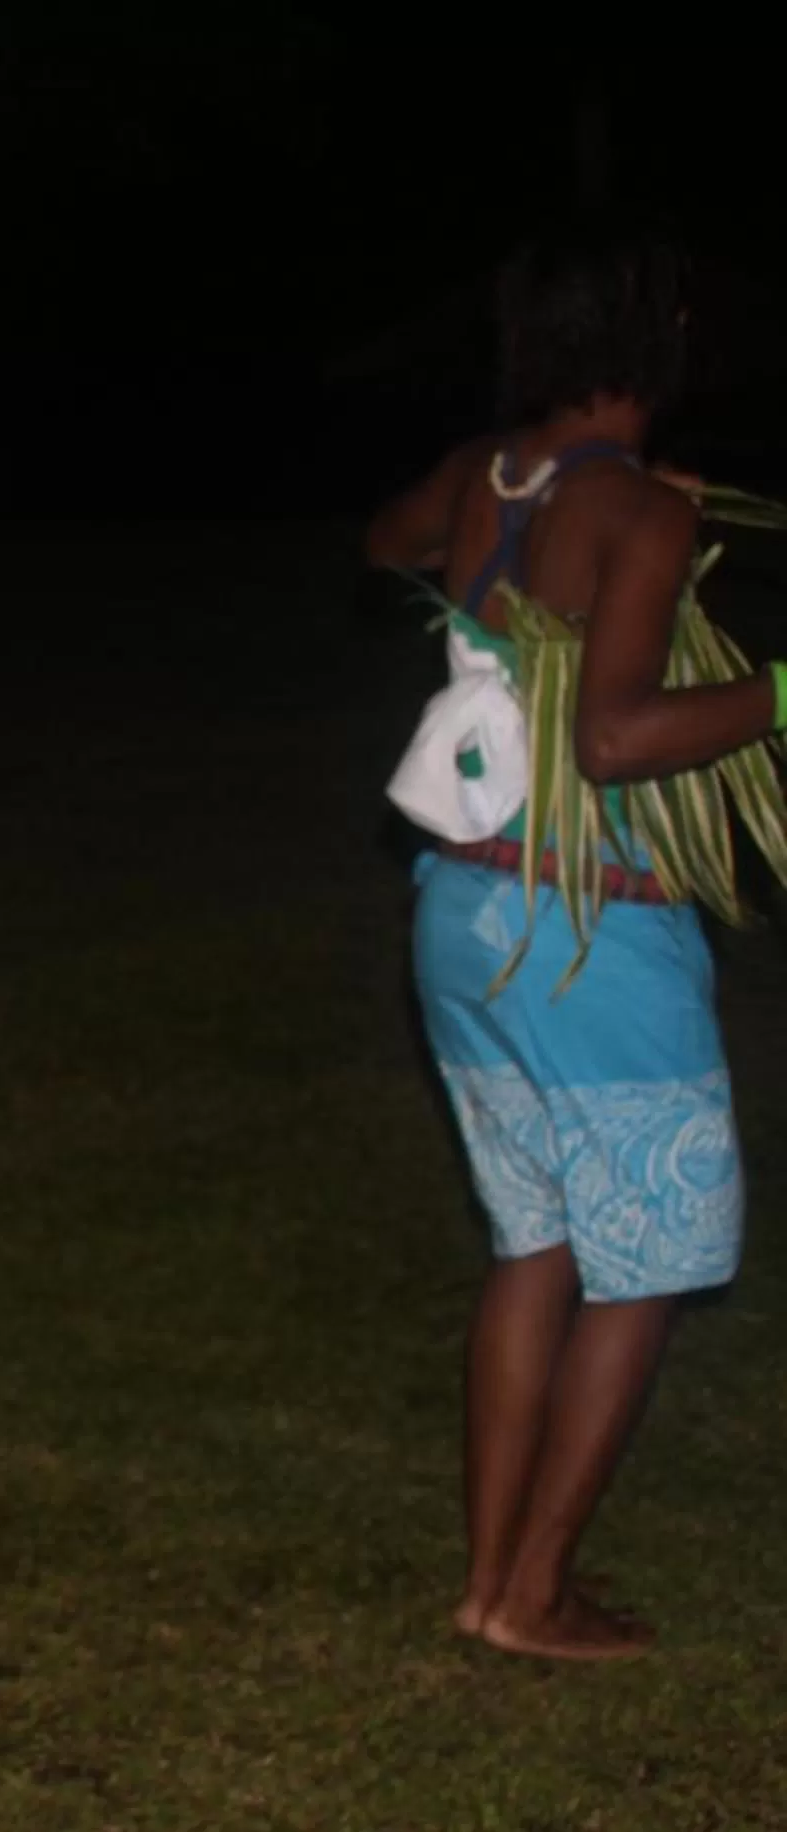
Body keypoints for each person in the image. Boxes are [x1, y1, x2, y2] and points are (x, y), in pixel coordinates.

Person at [366, 216, 779, 1662]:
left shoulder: (488, 472)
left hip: (465, 913)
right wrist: (783, 693)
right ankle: (533, 1592)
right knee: (649, 1259)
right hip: (588, 928)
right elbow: (613, 739)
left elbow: (386, 542)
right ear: (655, 341)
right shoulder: (636, 512)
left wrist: (510, 574)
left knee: (535, 1243)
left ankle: (492, 1583)